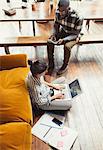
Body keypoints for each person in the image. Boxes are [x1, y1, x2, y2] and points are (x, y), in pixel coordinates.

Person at [46, 0, 83, 75]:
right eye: (59, 10)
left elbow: (76, 34)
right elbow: (56, 25)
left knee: (67, 46)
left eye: (62, 11)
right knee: (49, 42)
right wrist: (54, 34)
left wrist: (64, 40)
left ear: (68, 8)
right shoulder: (58, 12)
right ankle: (51, 64)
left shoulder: (78, 17)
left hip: (73, 35)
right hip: (63, 32)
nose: (60, 13)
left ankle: (64, 66)